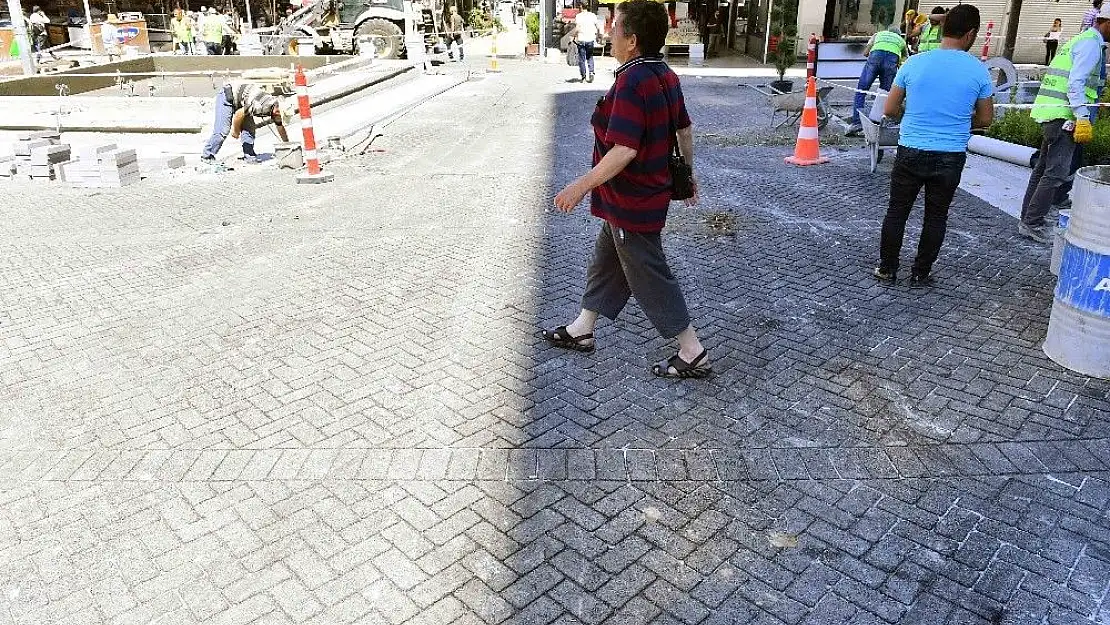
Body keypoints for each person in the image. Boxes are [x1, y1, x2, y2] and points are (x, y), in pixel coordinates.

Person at [547, 0, 710, 379]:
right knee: (608, 259)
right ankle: (582, 329)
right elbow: (684, 130)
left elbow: (625, 148)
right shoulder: (665, 74)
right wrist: (687, 173)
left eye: (615, 25)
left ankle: (692, 349)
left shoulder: (630, 81)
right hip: (639, 196)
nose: (609, 31)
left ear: (632, 40)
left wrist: (579, 186)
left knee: (648, 272)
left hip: (632, 197)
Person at [874, 3, 993, 288]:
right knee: (936, 215)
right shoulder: (978, 70)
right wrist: (960, 119)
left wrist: (912, 116)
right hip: (950, 154)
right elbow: (986, 119)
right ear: (971, 33)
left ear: (943, 29)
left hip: (911, 148)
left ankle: (887, 268)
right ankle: (920, 272)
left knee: (897, 211)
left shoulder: (915, 63)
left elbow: (889, 109)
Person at [1018, 4, 1109, 243]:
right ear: (1107, 23)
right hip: (1064, 116)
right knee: (1055, 173)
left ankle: (1028, 217)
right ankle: (1033, 222)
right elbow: (1075, 83)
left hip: (1052, 113)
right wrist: (1081, 116)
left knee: (1042, 170)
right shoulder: (1091, 44)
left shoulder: (1083, 39)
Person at [201, 81, 290, 164]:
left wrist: (288, 146)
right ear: (277, 110)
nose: (278, 117)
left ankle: (249, 155)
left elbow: (280, 126)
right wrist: (236, 131)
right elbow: (239, 115)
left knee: (250, 129)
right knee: (223, 131)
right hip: (227, 96)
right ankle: (207, 156)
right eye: (279, 115)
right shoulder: (260, 105)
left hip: (244, 102)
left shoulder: (276, 109)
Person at [846, 25, 907, 135]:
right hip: (891, 61)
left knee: (861, 91)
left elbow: (865, 53)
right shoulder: (901, 40)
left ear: (887, 31)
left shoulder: (878, 35)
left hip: (875, 57)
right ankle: (878, 123)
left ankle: (857, 124)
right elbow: (905, 62)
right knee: (885, 94)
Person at [570, 1, 599, 82]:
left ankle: (583, 76)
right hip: (590, 39)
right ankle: (591, 72)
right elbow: (597, 26)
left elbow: (577, 28)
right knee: (590, 57)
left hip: (582, 39)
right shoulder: (592, 15)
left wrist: (573, 36)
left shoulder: (579, 16)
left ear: (581, 6)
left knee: (582, 59)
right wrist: (599, 35)